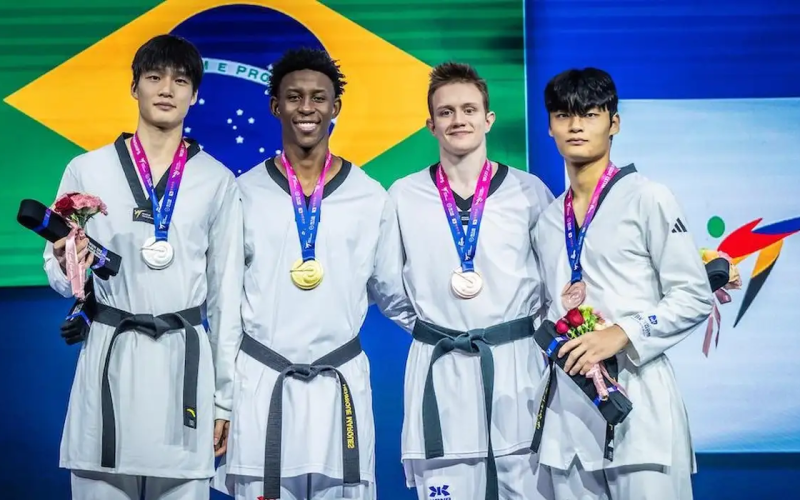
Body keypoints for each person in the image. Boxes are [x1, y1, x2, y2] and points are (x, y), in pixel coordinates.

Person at [43, 34, 244, 499]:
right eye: (154, 77)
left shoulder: (216, 180)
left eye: (180, 80)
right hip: (112, 356)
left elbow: (227, 296)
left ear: (194, 94)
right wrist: (64, 260)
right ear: (134, 87)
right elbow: (58, 274)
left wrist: (225, 401)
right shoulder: (86, 171)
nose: (166, 89)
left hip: (185, 367)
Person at [213, 47, 415, 500]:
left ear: (335, 107)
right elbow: (225, 307)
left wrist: (452, 326)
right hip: (263, 382)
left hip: (338, 386)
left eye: (319, 98)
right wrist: (221, 399)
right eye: (295, 97)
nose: (307, 108)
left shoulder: (370, 196)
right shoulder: (242, 193)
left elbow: (393, 293)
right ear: (275, 105)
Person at [530, 67, 713, 499]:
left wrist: (622, 333)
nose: (575, 125)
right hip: (568, 415)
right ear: (550, 125)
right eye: (563, 115)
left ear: (614, 123)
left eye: (590, 114)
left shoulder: (648, 197)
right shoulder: (547, 221)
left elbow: (693, 295)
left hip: (639, 402)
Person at [388, 62, 555, 500]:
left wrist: (516, 333)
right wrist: (436, 329)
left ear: (488, 119)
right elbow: (387, 287)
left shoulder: (529, 191)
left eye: (468, 109)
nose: (458, 120)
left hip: (516, 366)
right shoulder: (403, 195)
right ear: (430, 124)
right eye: (445, 112)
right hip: (440, 365)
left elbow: (555, 279)